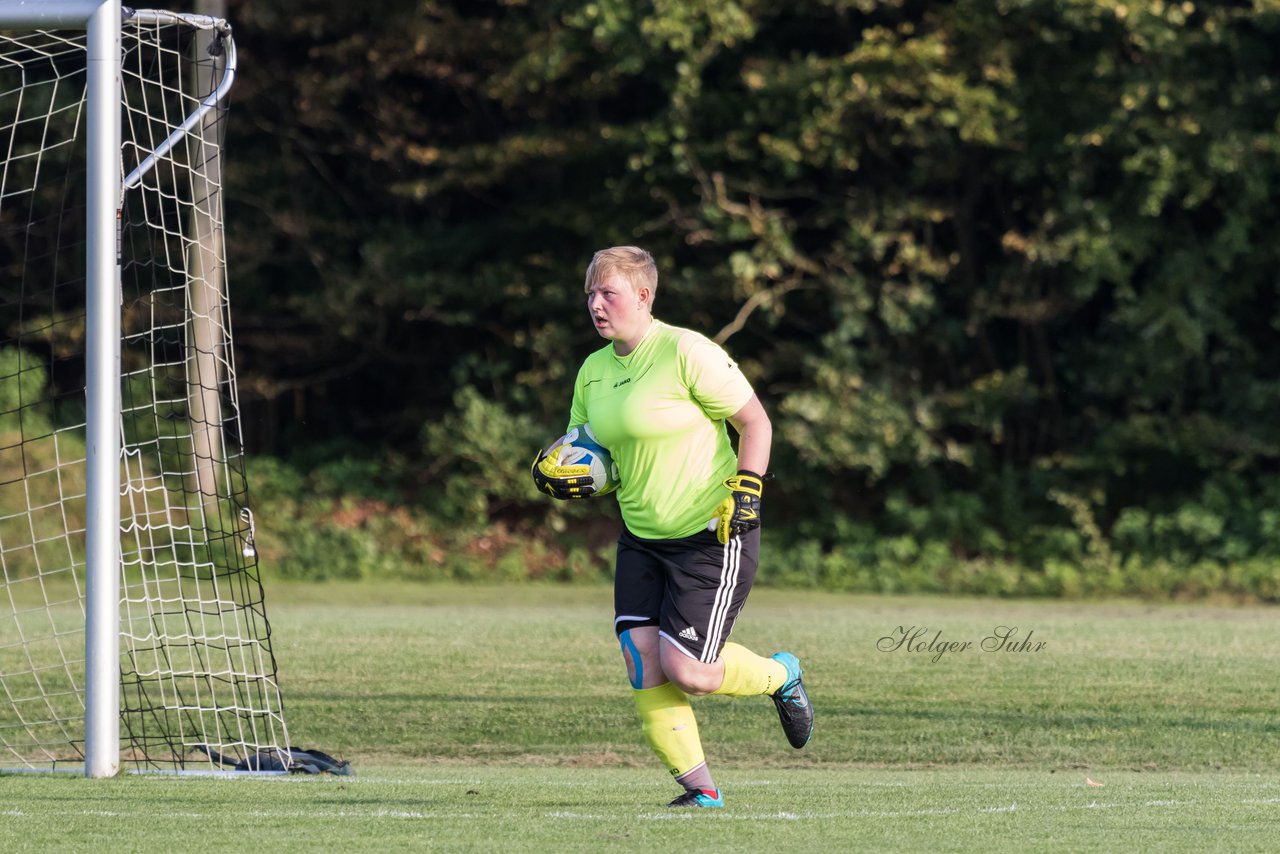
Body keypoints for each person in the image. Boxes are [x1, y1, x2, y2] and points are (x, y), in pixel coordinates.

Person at [531, 246, 812, 809]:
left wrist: (749, 488)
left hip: (711, 534)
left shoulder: (686, 351)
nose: (595, 304)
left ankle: (781, 674)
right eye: (590, 294)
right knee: (642, 660)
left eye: (607, 293)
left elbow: (755, 421)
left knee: (690, 672)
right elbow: (588, 452)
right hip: (641, 538)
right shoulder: (594, 371)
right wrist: (567, 472)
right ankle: (701, 790)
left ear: (643, 295)